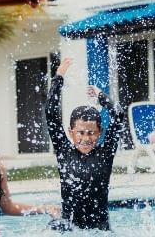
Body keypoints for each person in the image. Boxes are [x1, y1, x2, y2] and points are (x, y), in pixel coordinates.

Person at [45, 57, 124, 232]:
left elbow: (118, 114)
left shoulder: (106, 152)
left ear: (100, 132)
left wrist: (99, 94)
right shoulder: (63, 150)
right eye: (81, 132)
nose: (86, 138)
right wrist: (59, 77)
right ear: (70, 131)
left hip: (100, 229)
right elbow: (50, 112)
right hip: (70, 228)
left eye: (91, 133)